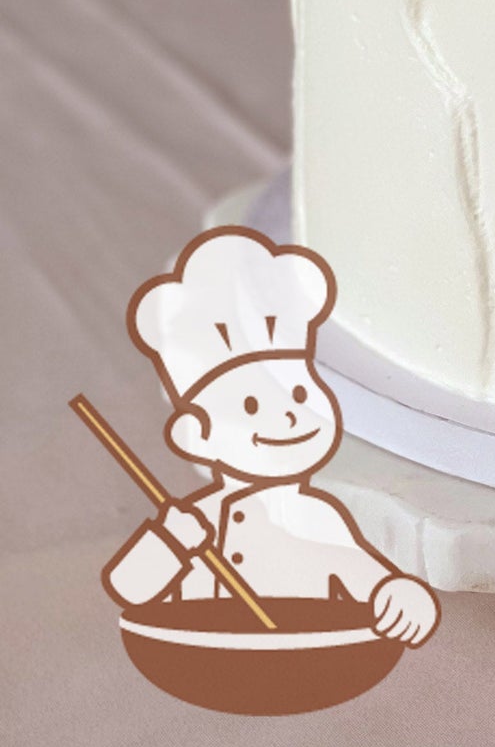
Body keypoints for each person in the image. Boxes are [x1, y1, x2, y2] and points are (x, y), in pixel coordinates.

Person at [100, 226, 439, 647]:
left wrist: (399, 594)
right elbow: (130, 588)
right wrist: (170, 543)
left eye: (299, 395)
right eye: (250, 406)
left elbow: (369, 579)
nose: (289, 417)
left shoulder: (321, 516)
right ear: (195, 436)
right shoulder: (198, 521)